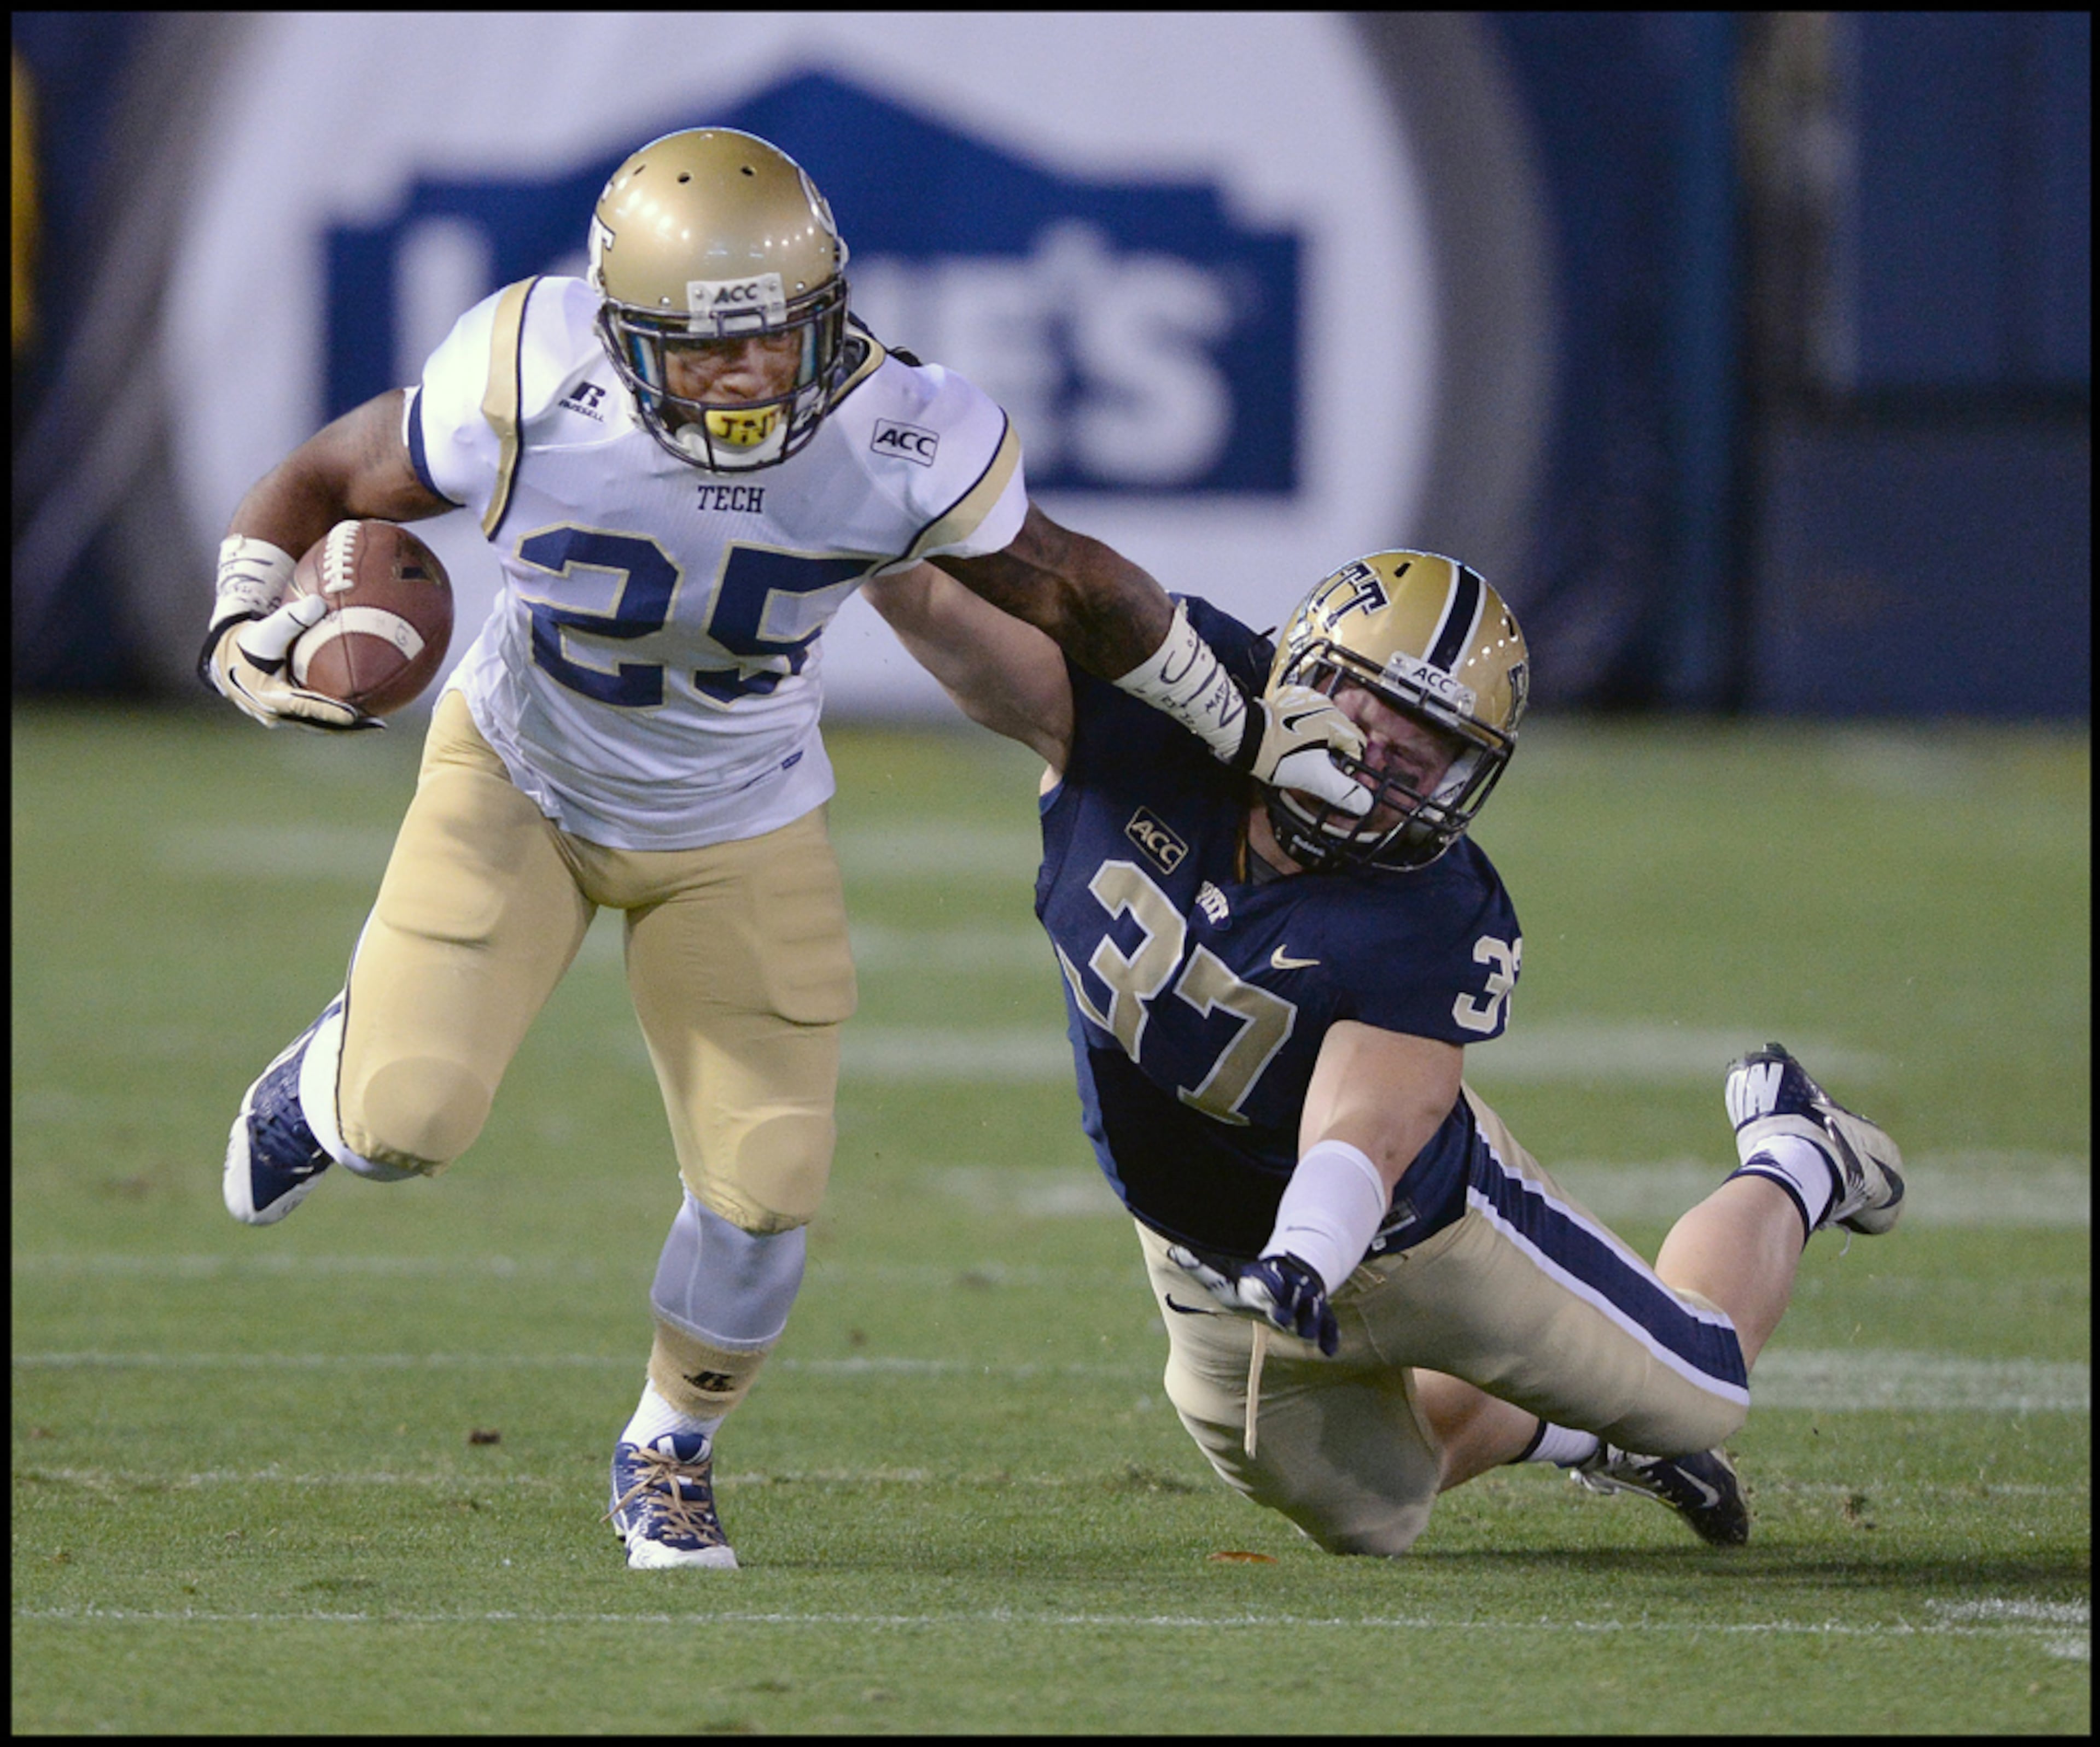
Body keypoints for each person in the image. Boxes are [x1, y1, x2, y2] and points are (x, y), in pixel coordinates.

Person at [196, 127, 1372, 1571]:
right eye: (710, 349)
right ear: (625, 337)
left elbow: (1071, 586)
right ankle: (327, 1073)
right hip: (521, 778)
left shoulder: (900, 431)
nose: (755, 375)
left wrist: (1238, 717)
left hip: (740, 812)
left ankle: (669, 1446)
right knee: (401, 1122)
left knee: (767, 1185)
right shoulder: (523, 376)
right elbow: (326, 474)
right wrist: (241, 617)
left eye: (782, 337)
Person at [862, 549, 1907, 1554]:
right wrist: (860, 527)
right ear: (1296, 670)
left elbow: (1363, 1127)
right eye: (1368, 712)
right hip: (1203, 1247)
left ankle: (1797, 1156)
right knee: (1371, 1515)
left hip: (1421, 1234)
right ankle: (1581, 1438)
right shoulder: (1163, 700)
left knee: (1703, 1393)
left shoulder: (1433, 907)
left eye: (1427, 752)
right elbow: (945, 609)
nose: (1380, 764)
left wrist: (1303, 1256)